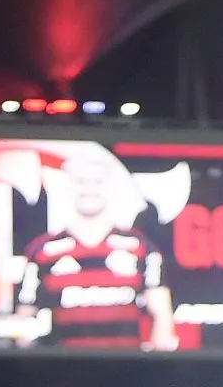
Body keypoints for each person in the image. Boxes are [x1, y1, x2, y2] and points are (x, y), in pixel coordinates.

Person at [15, 149, 178, 352]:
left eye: (97, 182)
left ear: (110, 188)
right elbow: (24, 319)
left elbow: (162, 314)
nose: (89, 189)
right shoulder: (41, 251)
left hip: (127, 371)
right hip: (60, 373)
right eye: (81, 181)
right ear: (69, 187)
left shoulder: (141, 247)